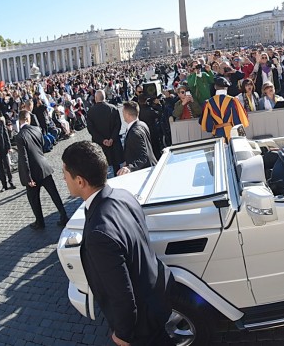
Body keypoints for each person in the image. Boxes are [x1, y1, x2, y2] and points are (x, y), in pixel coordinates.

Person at [61, 141, 174, 346]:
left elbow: (122, 295)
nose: (63, 178)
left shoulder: (98, 234)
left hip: (141, 325)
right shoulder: (123, 195)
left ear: (80, 181)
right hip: (156, 296)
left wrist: (123, 334)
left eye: (65, 173)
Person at [16, 110, 69, 229]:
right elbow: (42, 145)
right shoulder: (37, 130)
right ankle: (64, 215)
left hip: (33, 173)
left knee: (34, 199)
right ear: (28, 119)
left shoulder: (20, 136)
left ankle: (40, 222)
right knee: (54, 193)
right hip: (44, 167)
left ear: (20, 120)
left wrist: (28, 177)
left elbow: (24, 158)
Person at [199, 77, 250, 142]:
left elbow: (206, 124)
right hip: (232, 133)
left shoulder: (208, 103)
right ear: (226, 88)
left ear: (215, 87)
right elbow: (239, 120)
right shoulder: (233, 100)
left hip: (217, 134)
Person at [86, 90, 124, 177]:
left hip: (100, 144)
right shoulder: (113, 108)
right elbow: (118, 125)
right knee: (116, 166)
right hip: (114, 143)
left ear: (95, 98)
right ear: (105, 97)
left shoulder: (91, 111)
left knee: (103, 167)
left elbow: (91, 130)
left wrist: (103, 140)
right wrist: (112, 139)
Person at [117, 101, 158, 176]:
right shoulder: (142, 124)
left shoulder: (134, 133)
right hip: (150, 168)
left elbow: (143, 156)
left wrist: (130, 167)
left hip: (144, 172)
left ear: (127, 114)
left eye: (123, 112)